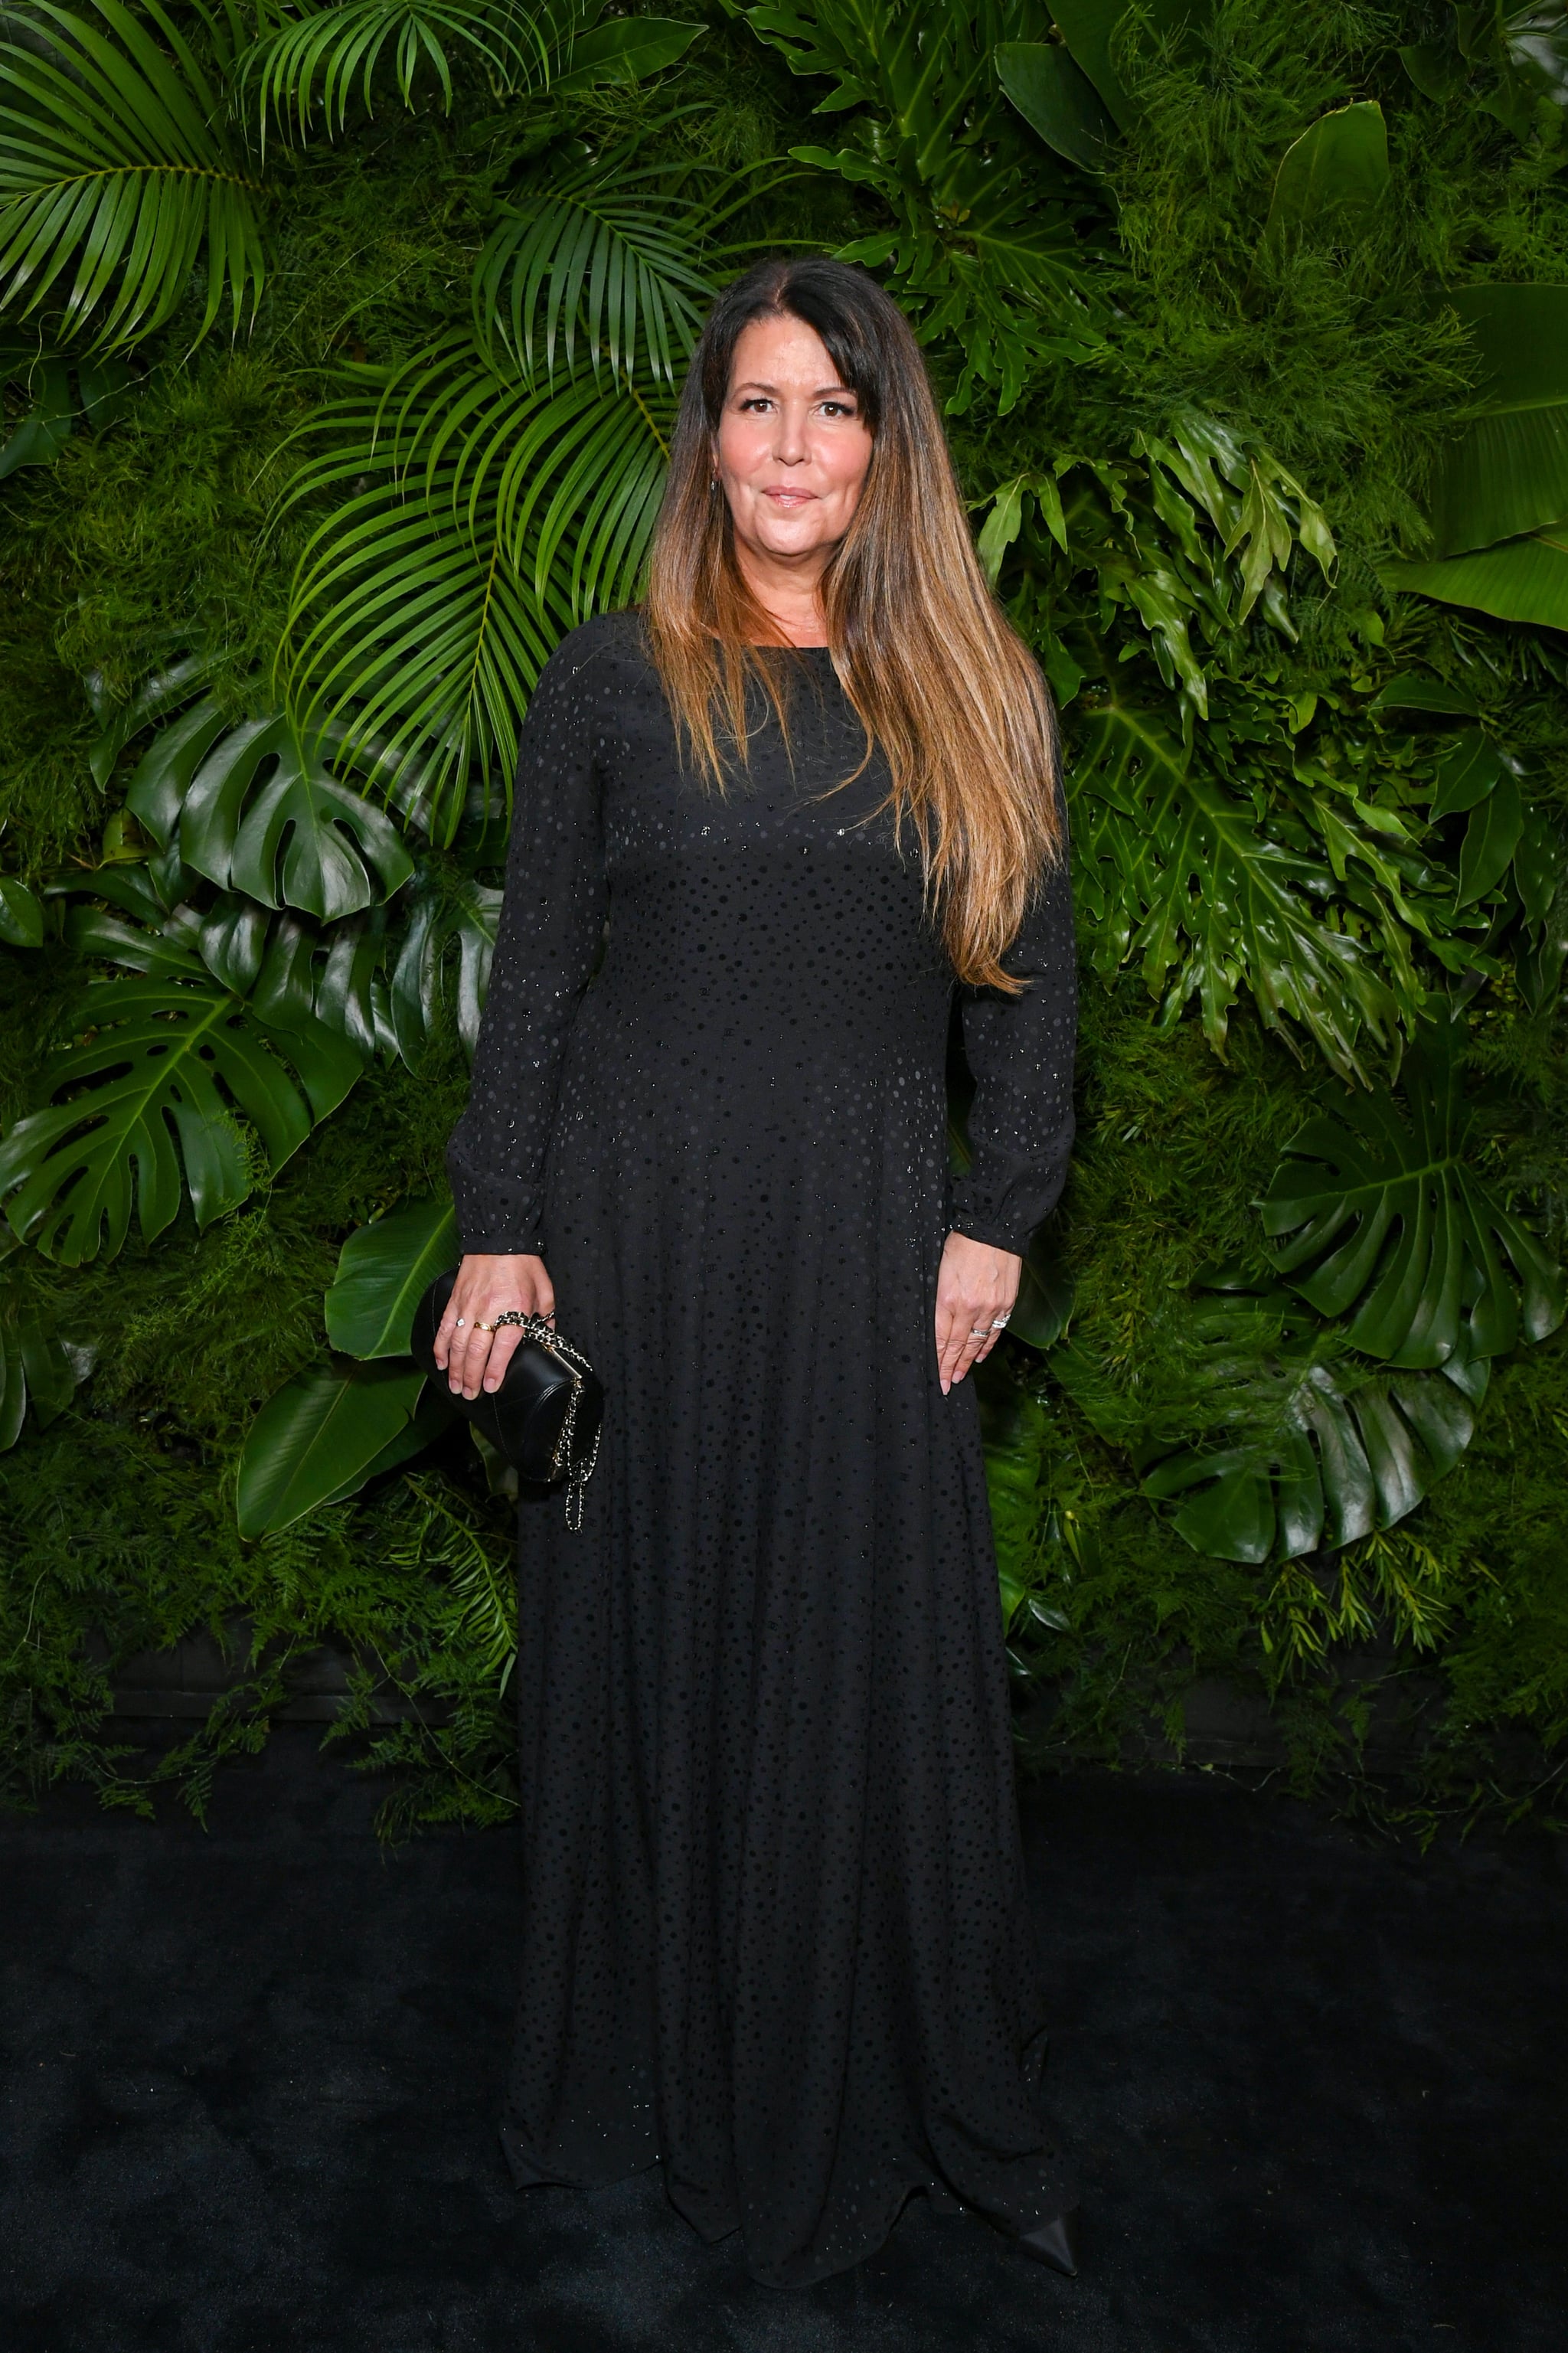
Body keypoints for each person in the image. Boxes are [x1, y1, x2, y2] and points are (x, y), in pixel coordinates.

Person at [438, 255, 1080, 2289]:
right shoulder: (610, 680)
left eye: (831, 407)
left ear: (888, 447)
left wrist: (1000, 1208)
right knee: (648, 1628)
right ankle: (642, 2063)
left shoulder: (973, 683)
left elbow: (1037, 993)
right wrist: (493, 1227)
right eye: (753, 404)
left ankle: (850, 2070)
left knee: (857, 1653)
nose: (790, 444)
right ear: (707, 440)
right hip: (632, 1229)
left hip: (870, 1247)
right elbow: (536, 976)